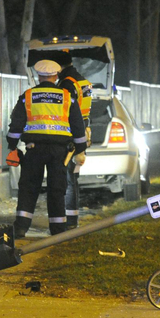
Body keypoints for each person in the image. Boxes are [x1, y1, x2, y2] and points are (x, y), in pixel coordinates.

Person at [6, 60, 87, 237]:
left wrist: (12, 146)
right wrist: (80, 148)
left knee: (28, 188)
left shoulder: (27, 96)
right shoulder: (67, 97)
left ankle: (21, 227)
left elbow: (16, 125)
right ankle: (58, 230)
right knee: (57, 189)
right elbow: (78, 126)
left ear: (39, 76)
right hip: (60, 152)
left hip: (34, 150)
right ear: (56, 76)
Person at [56, 52, 93, 228]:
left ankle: (70, 221)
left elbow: (66, 111)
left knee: (68, 179)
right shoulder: (82, 81)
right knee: (73, 178)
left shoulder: (67, 83)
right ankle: (72, 218)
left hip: (69, 135)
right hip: (82, 132)